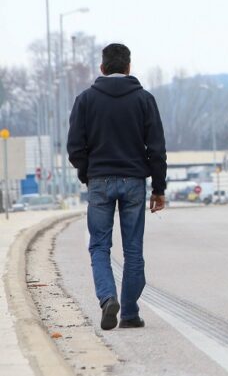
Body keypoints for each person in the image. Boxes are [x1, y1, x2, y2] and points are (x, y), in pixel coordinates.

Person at [67, 43, 167, 330]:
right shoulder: (144, 100)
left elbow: (75, 147)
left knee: (99, 245)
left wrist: (89, 174)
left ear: (102, 68)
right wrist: (158, 188)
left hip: (99, 181)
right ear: (128, 67)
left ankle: (108, 298)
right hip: (135, 182)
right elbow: (157, 148)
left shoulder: (85, 100)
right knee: (133, 249)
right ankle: (130, 313)